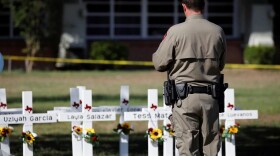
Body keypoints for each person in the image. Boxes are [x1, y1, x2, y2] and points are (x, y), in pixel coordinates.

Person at [152, 0, 227, 156]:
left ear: (184, 6)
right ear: (203, 6)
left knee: (187, 150)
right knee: (211, 150)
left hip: (184, 98)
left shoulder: (176, 31)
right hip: (210, 98)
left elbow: (159, 63)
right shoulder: (217, 31)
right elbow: (220, 65)